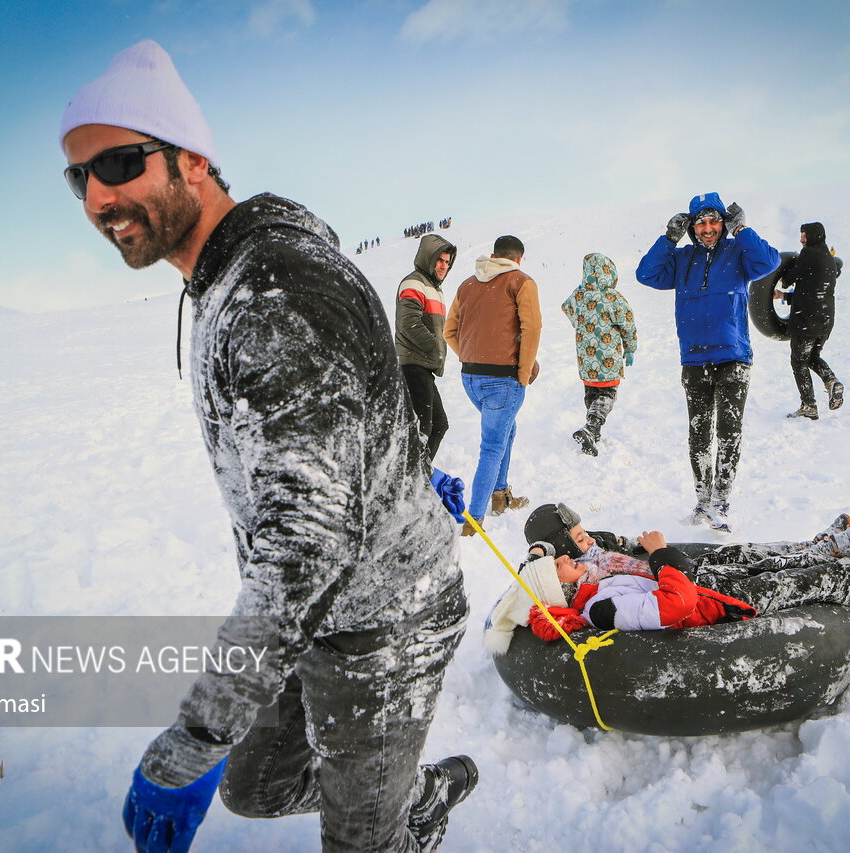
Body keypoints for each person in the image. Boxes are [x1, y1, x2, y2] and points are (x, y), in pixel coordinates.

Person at [60, 41, 475, 852]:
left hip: (384, 621)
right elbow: (363, 405)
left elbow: (306, 540)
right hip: (318, 610)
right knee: (257, 787)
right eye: (81, 177)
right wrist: (407, 481)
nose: (100, 195)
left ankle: (394, 808)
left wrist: (199, 734)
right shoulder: (227, 276)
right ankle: (400, 788)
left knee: (359, 840)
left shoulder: (273, 290)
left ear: (193, 160)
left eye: (119, 161)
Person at [483, 503, 850, 654]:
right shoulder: (595, 600)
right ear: (562, 569)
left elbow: (611, 546)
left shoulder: (597, 569)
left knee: (786, 563)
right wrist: (661, 557)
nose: (584, 541)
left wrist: (652, 553)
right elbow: (669, 602)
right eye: (572, 543)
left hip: (705, 579)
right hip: (706, 596)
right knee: (823, 579)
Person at [635, 193, 780, 532]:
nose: (707, 228)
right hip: (695, 360)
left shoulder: (739, 253)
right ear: (692, 227)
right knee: (698, 436)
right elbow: (646, 274)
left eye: (714, 220)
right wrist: (669, 238)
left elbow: (769, 262)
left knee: (729, 433)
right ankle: (702, 501)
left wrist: (742, 229)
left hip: (734, 358)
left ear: (723, 224)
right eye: (700, 222)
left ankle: (721, 504)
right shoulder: (682, 258)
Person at [443, 235, 541, 534]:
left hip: (471, 377)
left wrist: (473, 360)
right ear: (518, 258)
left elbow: (450, 332)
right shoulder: (521, 281)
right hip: (504, 379)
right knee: (492, 446)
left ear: (494, 255)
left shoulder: (467, 285)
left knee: (506, 431)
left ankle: (501, 494)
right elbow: (532, 328)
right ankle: (473, 520)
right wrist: (523, 372)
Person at [561, 252, 638, 457]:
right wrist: (630, 347)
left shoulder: (578, 295)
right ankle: (591, 428)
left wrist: (580, 323)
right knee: (607, 394)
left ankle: (593, 433)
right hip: (608, 357)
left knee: (592, 393)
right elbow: (627, 323)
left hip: (586, 358)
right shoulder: (613, 297)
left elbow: (566, 307)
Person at [395, 233, 457, 460]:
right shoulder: (414, 283)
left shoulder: (434, 289)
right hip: (412, 365)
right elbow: (408, 323)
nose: (444, 266)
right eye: (440, 260)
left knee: (439, 425)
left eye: (447, 262)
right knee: (423, 429)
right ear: (428, 258)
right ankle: (412, 480)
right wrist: (434, 347)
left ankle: (420, 475)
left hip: (424, 366)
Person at [785, 223, 843, 420]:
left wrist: (784, 272)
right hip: (825, 319)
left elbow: (788, 278)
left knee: (799, 361)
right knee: (811, 357)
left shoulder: (808, 253)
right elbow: (812, 289)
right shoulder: (827, 257)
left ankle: (809, 405)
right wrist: (784, 297)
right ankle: (831, 380)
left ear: (812, 236)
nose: (801, 239)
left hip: (807, 320)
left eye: (804, 235)